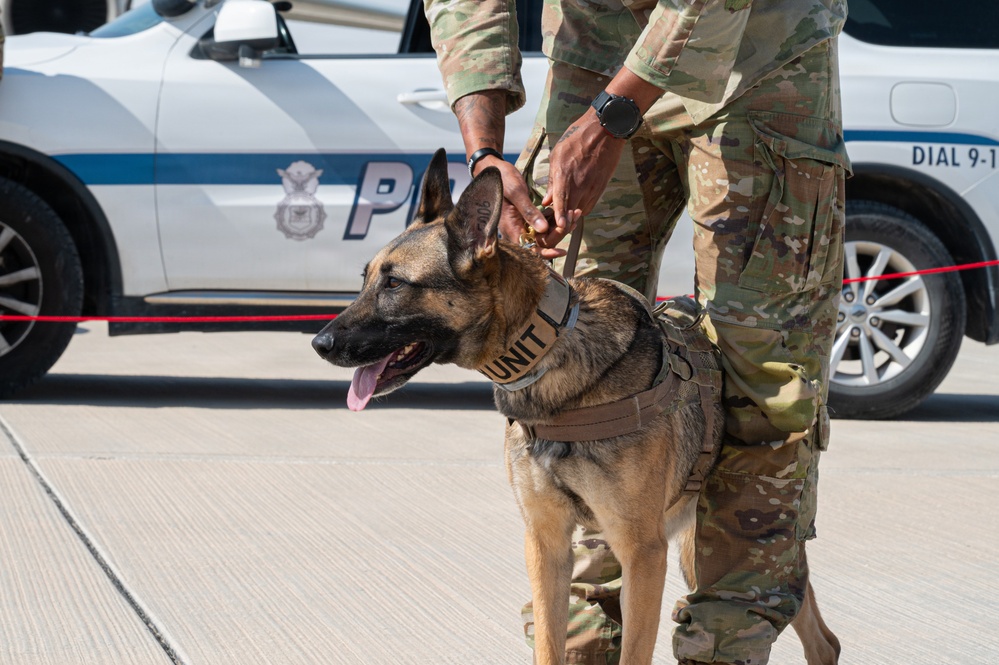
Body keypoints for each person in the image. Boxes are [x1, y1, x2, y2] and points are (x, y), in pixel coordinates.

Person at [424, 0, 851, 663]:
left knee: (762, 373)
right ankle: (584, 636)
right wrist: (484, 151)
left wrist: (612, 117)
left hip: (758, 54)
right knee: (565, 348)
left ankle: (724, 639)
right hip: (592, 49)